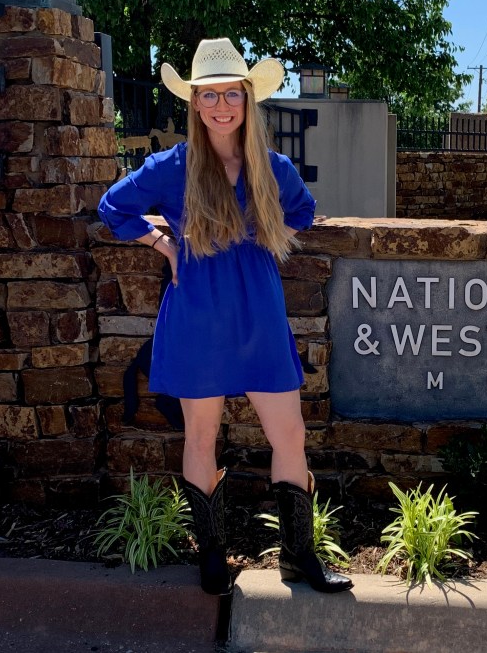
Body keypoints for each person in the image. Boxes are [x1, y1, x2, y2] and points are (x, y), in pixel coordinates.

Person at [98, 38, 352, 596]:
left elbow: (303, 211)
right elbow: (112, 206)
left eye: (230, 94)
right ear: (194, 102)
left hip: (260, 316)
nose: (220, 106)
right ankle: (212, 556)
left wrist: (269, 231)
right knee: (201, 435)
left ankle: (299, 557)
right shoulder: (173, 166)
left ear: (246, 99)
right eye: (208, 95)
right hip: (198, 317)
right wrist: (164, 244)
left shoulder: (273, 168)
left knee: (289, 434)